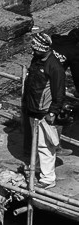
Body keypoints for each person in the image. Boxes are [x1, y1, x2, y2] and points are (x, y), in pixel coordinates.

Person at [22, 30, 68, 186]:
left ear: (44, 49)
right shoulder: (37, 60)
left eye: (35, 49)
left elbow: (59, 93)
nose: (33, 51)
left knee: (45, 146)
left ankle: (48, 179)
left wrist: (52, 112)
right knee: (36, 143)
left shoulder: (55, 67)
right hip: (33, 109)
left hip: (45, 112)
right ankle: (36, 168)